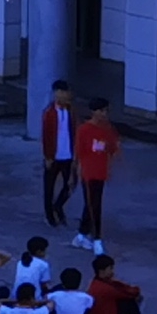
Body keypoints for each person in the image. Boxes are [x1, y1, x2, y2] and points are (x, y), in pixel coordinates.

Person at [74, 102, 118, 239]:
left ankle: (83, 234)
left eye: (106, 111)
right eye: (101, 111)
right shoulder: (84, 129)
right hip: (88, 172)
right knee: (93, 204)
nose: (104, 114)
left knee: (94, 203)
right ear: (94, 112)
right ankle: (94, 235)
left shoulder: (108, 129)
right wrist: (78, 169)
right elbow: (79, 151)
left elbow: (113, 148)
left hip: (101, 171)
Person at [38, 80, 79, 224]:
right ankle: (49, 215)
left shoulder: (71, 111)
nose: (65, 95)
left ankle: (58, 205)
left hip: (68, 155)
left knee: (71, 184)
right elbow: (46, 136)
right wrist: (48, 156)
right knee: (49, 187)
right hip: (54, 156)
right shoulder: (49, 113)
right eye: (62, 93)